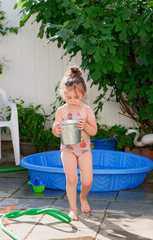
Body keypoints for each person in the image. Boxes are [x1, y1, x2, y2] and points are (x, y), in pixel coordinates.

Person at [52, 66, 97, 221]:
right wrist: (55, 129)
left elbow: (94, 131)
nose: (72, 101)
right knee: (72, 179)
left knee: (87, 180)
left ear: (83, 95)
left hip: (84, 149)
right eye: (69, 97)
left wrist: (84, 125)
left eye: (76, 98)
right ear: (64, 95)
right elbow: (56, 130)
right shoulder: (62, 111)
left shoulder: (87, 110)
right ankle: (73, 209)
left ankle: (83, 197)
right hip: (68, 149)